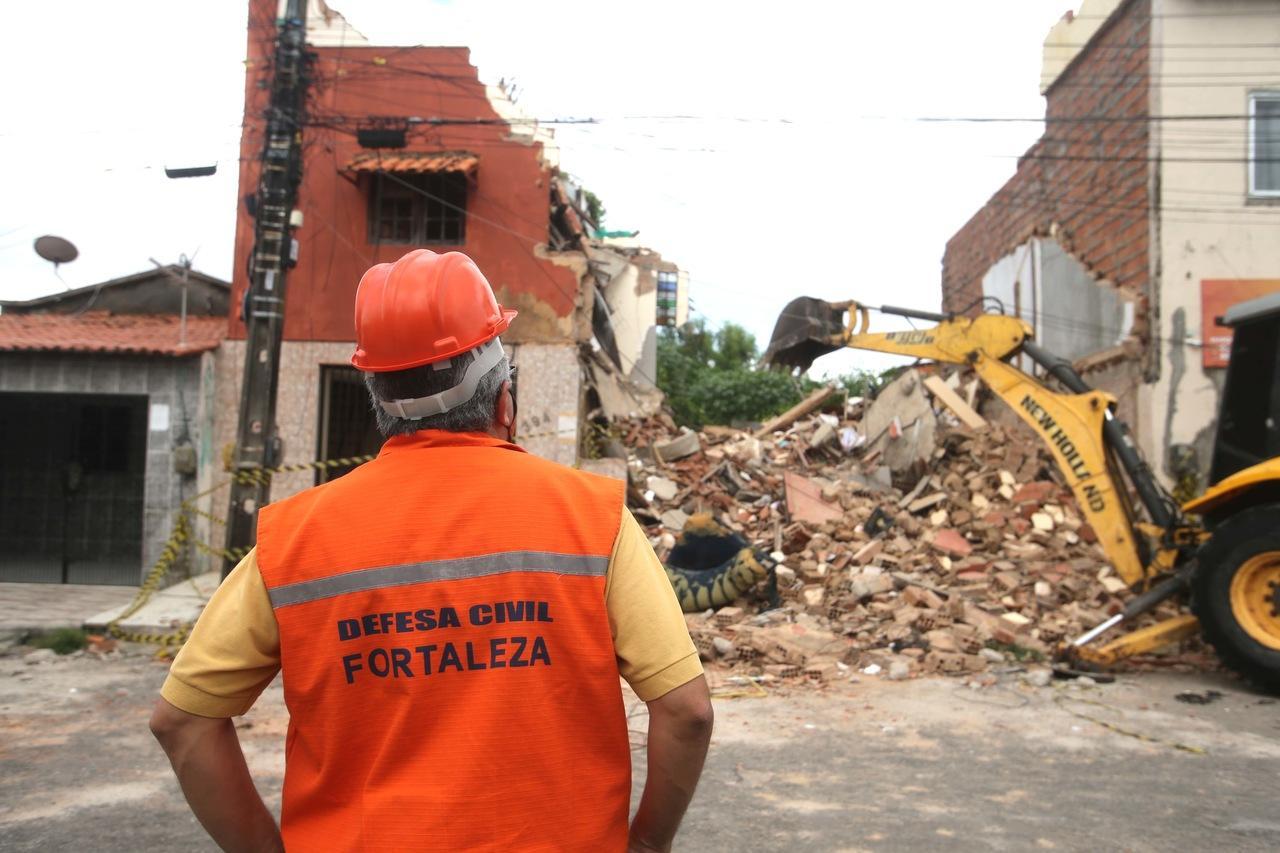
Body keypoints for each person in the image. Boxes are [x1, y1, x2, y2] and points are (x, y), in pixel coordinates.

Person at [150, 249, 713, 852]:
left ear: (380, 407)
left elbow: (183, 721)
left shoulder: (293, 540)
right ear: (505, 401)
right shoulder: (592, 519)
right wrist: (648, 844)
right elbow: (687, 712)